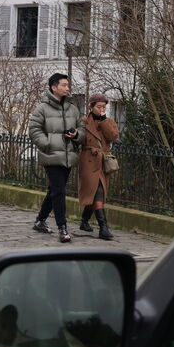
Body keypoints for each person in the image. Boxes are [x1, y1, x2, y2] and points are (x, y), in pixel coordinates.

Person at [27, 72, 85, 243]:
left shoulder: (73, 108)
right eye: (64, 85)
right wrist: (48, 144)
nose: (68, 88)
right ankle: (62, 228)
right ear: (54, 87)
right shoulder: (42, 108)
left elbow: (82, 129)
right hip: (51, 155)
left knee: (54, 190)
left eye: (68, 85)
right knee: (59, 191)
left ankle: (40, 221)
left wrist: (75, 135)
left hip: (69, 156)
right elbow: (34, 130)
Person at [77, 94, 120, 240]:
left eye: (104, 107)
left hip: (102, 161)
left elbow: (113, 136)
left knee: (96, 192)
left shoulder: (108, 121)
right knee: (97, 191)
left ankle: (84, 220)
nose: (102, 109)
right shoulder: (84, 121)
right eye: (98, 107)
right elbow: (80, 139)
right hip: (88, 160)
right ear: (91, 107)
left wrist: (104, 121)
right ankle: (103, 228)